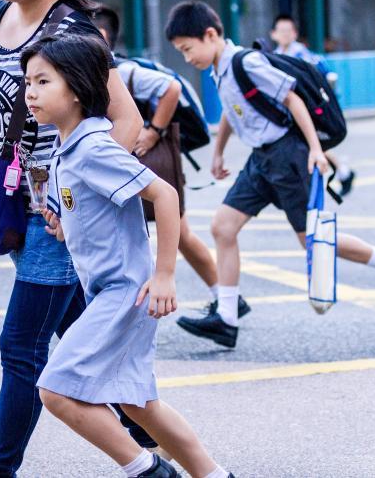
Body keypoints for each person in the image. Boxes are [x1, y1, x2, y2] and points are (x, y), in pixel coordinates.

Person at [0, 0, 143, 475]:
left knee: (21, 346)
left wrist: (77, 197)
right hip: (8, 202)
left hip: (55, 217)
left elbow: (128, 123)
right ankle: (148, 434)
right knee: (71, 328)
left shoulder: (73, 32)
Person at [21, 33, 233, 478]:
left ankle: (147, 470)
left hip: (124, 291)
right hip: (112, 290)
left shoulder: (93, 148)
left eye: (43, 82)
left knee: (56, 389)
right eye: (28, 82)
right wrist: (65, 225)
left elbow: (166, 195)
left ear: (77, 89)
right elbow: (92, 209)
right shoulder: (67, 148)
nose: (30, 92)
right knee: (139, 404)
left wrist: (166, 276)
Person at [165, 1, 375, 349]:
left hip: (287, 158)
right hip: (261, 161)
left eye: (187, 49)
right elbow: (231, 110)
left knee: (313, 241)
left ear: (210, 35)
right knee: (222, 226)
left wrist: (316, 150)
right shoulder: (220, 69)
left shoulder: (247, 62)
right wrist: (218, 151)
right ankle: (226, 318)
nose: (187, 58)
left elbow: (292, 99)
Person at [92, 6, 251, 318]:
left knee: (177, 232)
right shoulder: (95, 74)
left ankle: (226, 298)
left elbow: (171, 88)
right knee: (177, 234)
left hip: (149, 160)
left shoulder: (120, 73)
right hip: (134, 163)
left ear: (100, 37)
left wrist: (152, 133)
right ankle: (226, 297)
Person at [270, 14, 355, 197]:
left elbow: (327, 79)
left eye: (288, 31)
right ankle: (342, 173)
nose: (285, 34)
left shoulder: (305, 57)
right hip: (289, 113)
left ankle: (334, 176)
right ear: (273, 34)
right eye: (281, 31)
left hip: (309, 110)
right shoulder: (273, 56)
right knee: (310, 145)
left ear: (295, 34)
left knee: (311, 144)